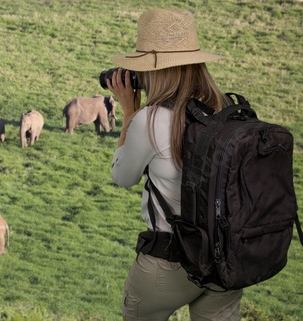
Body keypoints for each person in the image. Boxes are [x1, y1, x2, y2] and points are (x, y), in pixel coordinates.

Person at [106, 8, 243, 321]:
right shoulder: (226, 110)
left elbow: (122, 176)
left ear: (150, 71)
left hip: (170, 262)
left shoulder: (151, 119)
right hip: (226, 260)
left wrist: (129, 113)